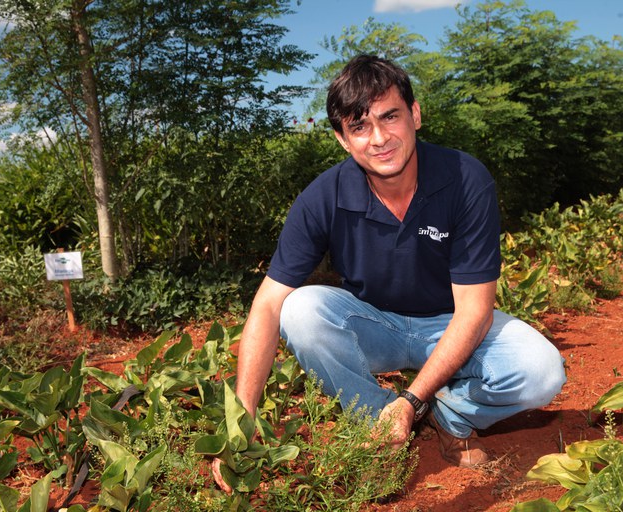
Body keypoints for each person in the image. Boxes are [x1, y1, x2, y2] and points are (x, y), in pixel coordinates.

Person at [213, 54, 566, 490]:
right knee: (299, 307)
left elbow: (474, 312)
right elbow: (266, 304)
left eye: (389, 117)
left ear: (415, 115)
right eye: (359, 127)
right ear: (343, 139)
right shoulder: (323, 197)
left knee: (540, 371)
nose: (378, 138)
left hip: (450, 322)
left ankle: (448, 414)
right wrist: (241, 418)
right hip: (373, 323)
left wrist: (414, 400)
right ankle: (377, 420)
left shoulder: (465, 179)